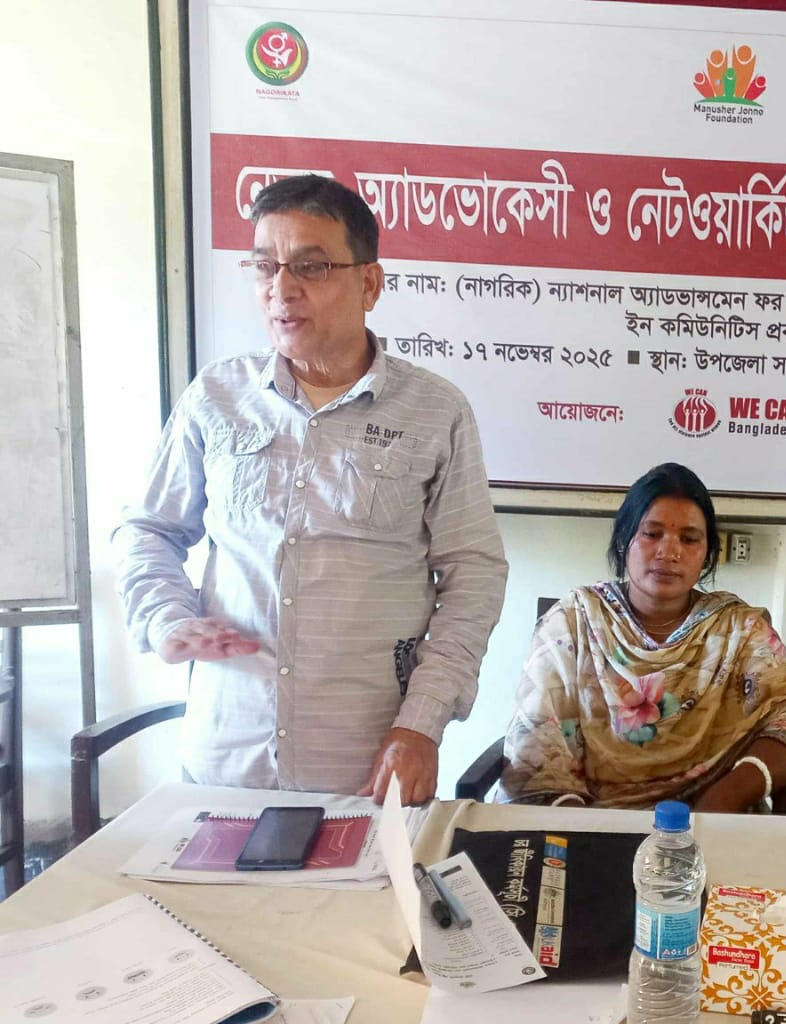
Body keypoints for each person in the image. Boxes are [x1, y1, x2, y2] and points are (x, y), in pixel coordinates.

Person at [114, 175, 507, 804]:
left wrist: (422, 723)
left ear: (369, 284)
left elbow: (474, 575)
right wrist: (166, 615)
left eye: (311, 266)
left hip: (366, 768)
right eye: (264, 266)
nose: (281, 289)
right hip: (226, 762)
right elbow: (148, 531)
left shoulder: (436, 411)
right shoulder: (216, 396)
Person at [498, 463, 786, 811]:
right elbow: (536, 737)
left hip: (711, 822)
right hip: (587, 818)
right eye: (652, 534)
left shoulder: (738, 630)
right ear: (623, 541)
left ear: (707, 554)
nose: (669, 552)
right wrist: (581, 831)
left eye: (689, 539)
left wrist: (721, 801)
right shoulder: (574, 622)